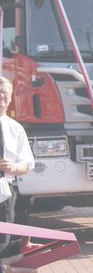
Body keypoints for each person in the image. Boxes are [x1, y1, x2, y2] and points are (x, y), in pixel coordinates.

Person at [0, 77, 35, 245]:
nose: (0, 97)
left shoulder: (16, 129)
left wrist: (13, 167)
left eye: (4, 93)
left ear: (10, 97)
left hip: (5, 190)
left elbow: (27, 164)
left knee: (3, 241)